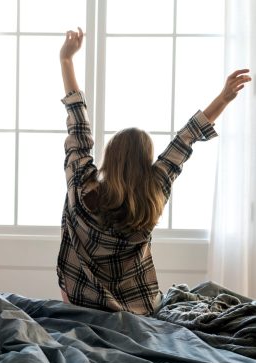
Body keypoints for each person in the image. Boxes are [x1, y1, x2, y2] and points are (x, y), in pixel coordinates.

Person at [57, 27, 252, 315]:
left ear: (110, 157)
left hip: (82, 304)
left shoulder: (81, 184)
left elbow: (78, 124)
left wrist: (66, 60)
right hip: (142, 309)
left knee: (75, 272)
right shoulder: (155, 188)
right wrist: (223, 98)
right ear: (145, 162)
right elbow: (186, 137)